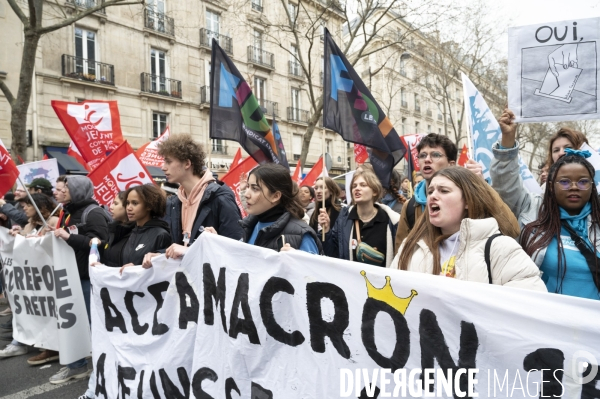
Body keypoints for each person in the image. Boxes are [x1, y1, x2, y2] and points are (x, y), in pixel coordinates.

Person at [392, 167, 545, 291]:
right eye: (430, 191)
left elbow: (530, 305)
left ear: (467, 201)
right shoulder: (411, 246)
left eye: (444, 191)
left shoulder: (501, 249)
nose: (432, 196)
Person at [150, 164, 322, 262]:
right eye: (247, 187)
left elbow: (315, 283)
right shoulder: (249, 226)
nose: (246, 194)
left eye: (255, 189)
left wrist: (297, 262)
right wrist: (217, 244)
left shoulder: (301, 235)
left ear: (276, 196)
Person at [50, 176, 110, 385]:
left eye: (66, 187)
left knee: (93, 325)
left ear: (77, 190)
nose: (62, 191)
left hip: (86, 279)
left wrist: (69, 237)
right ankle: (77, 366)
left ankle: (103, 370)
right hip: (72, 276)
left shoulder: (93, 213)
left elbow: (102, 244)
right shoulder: (69, 212)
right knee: (73, 324)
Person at [517, 152, 600, 300]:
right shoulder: (536, 222)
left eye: (583, 182)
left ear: (592, 186)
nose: (574, 187)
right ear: (550, 186)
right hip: (550, 319)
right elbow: (506, 187)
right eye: (564, 182)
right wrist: (507, 147)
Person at [158, 134, 243, 247]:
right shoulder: (173, 202)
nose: (163, 167)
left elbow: (236, 246)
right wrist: (159, 254)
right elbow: (174, 246)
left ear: (187, 163)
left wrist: (188, 252)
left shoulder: (220, 197)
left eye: (168, 162)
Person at [319, 169, 400, 267]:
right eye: (354, 186)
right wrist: (326, 231)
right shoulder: (344, 219)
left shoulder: (391, 221)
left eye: (363, 185)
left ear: (374, 191)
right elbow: (332, 255)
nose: (357, 188)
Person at [394, 134, 459, 254]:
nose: (427, 159)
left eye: (435, 155)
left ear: (451, 164)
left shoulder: (465, 200)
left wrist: (480, 185)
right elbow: (401, 253)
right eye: (422, 155)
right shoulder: (410, 207)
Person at [118, 185, 172, 269]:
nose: (129, 208)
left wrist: (136, 268)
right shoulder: (132, 231)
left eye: (135, 203)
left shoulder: (161, 235)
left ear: (149, 206)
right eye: (127, 203)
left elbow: (165, 268)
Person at [95, 191, 134, 267]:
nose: (111, 207)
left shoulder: (136, 232)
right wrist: (102, 243)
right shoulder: (114, 228)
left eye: (116, 204)